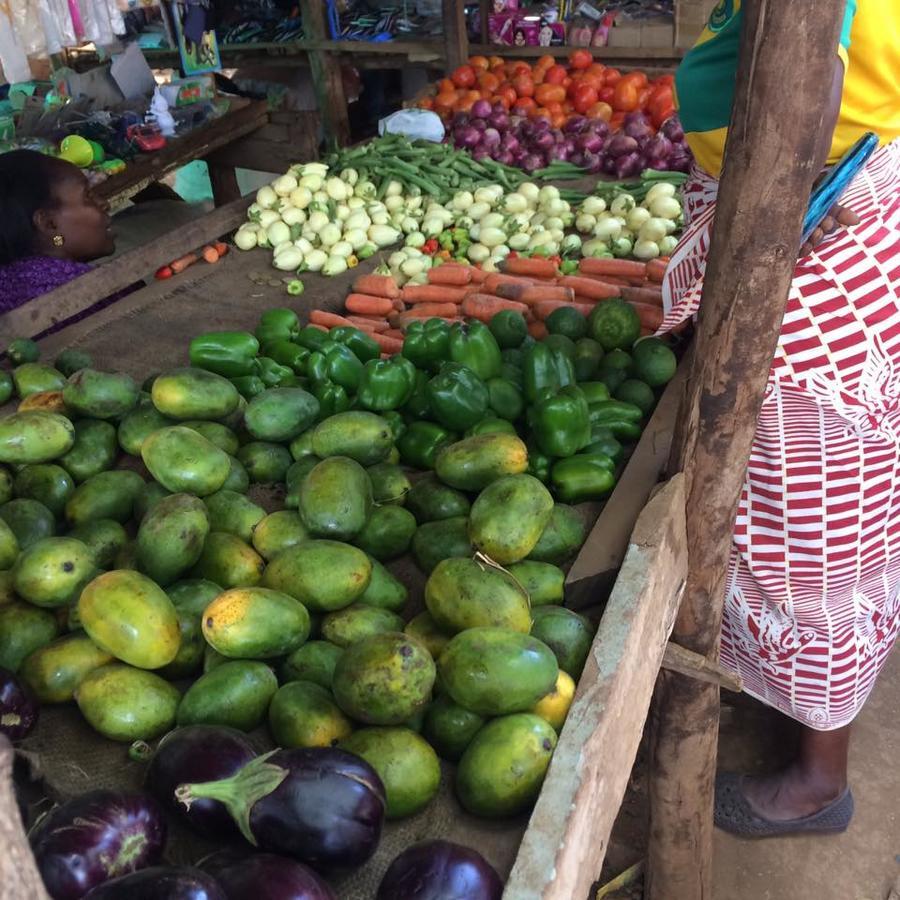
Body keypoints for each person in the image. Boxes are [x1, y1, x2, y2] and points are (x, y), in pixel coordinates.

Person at [665, 0, 900, 837]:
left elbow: (812, 81)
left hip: (805, 224)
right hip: (817, 208)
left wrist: (769, 228)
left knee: (812, 533)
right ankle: (804, 709)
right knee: (819, 514)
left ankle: (817, 785)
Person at [0, 149, 116, 315]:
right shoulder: (94, 290)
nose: (104, 204)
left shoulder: (8, 281)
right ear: (49, 224)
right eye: (88, 196)